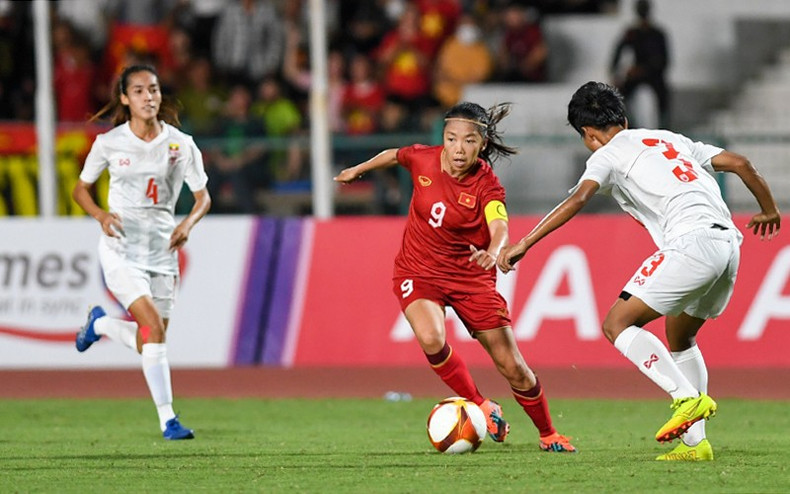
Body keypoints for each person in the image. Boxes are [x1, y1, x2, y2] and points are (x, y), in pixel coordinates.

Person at [498, 81, 781, 461]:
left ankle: (685, 398)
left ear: (588, 134)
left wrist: (524, 243)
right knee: (680, 337)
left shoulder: (607, 154)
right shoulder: (668, 139)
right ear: (625, 118)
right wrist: (768, 209)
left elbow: (579, 197)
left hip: (691, 244)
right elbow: (741, 164)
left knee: (617, 324)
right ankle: (696, 445)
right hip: (729, 246)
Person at [334, 102, 577, 453]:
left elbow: (499, 225)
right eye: (451, 139)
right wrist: (358, 169)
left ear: (482, 144)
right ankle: (480, 404)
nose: (458, 148)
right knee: (432, 338)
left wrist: (493, 253)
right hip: (418, 270)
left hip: (470, 279)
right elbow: (393, 155)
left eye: (468, 141)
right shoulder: (423, 158)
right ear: (443, 139)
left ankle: (548, 433)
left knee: (514, 368)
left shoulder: (487, 186)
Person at [72, 64, 211, 440]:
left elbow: (203, 198)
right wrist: (100, 215)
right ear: (124, 98)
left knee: (151, 338)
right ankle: (169, 420)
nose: (148, 97)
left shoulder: (180, 144)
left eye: (153, 89)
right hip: (122, 250)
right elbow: (80, 189)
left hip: (163, 252)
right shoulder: (109, 143)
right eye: (138, 91)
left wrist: (187, 224)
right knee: (151, 328)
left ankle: (98, 325)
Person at [610, 0, 670, 128]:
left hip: (654, 75)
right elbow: (617, 53)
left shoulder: (657, 34)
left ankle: (664, 128)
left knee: (663, 101)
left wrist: (641, 70)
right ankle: (627, 126)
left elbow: (663, 62)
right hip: (637, 76)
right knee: (619, 96)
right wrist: (615, 74)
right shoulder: (633, 33)